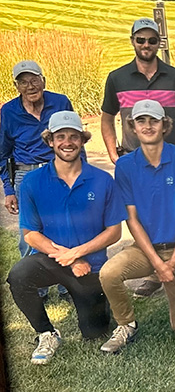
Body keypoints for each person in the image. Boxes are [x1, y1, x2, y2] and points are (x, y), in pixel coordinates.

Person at [6, 111, 126, 365]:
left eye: (74, 136)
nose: (67, 142)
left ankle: (94, 308)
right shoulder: (32, 182)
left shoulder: (103, 180)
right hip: (52, 261)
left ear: (82, 140)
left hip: (91, 266)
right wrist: (70, 258)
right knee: (19, 275)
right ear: (50, 141)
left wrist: (78, 253)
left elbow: (114, 232)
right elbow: (30, 234)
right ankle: (47, 333)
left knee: (95, 332)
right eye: (60, 136)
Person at [101, 17, 175, 299]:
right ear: (132, 41)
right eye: (141, 40)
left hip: (170, 160)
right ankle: (154, 270)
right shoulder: (117, 78)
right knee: (140, 217)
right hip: (134, 161)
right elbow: (106, 118)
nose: (146, 45)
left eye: (152, 40)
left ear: (159, 43)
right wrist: (113, 154)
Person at [98, 99, 175, 354]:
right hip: (144, 250)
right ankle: (126, 324)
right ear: (132, 127)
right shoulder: (125, 166)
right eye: (141, 121)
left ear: (165, 125)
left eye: (154, 120)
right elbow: (132, 220)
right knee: (109, 273)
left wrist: (173, 261)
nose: (147, 126)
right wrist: (158, 265)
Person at [1, 60, 74, 300]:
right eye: (23, 82)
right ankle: (35, 288)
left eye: (34, 80)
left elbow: (75, 139)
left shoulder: (60, 103)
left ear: (44, 80)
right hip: (26, 175)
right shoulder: (9, 111)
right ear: (17, 86)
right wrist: (8, 189)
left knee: (64, 228)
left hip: (59, 171)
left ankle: (66, 285)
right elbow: (3, 152)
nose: (30, 86)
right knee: (30, 233)